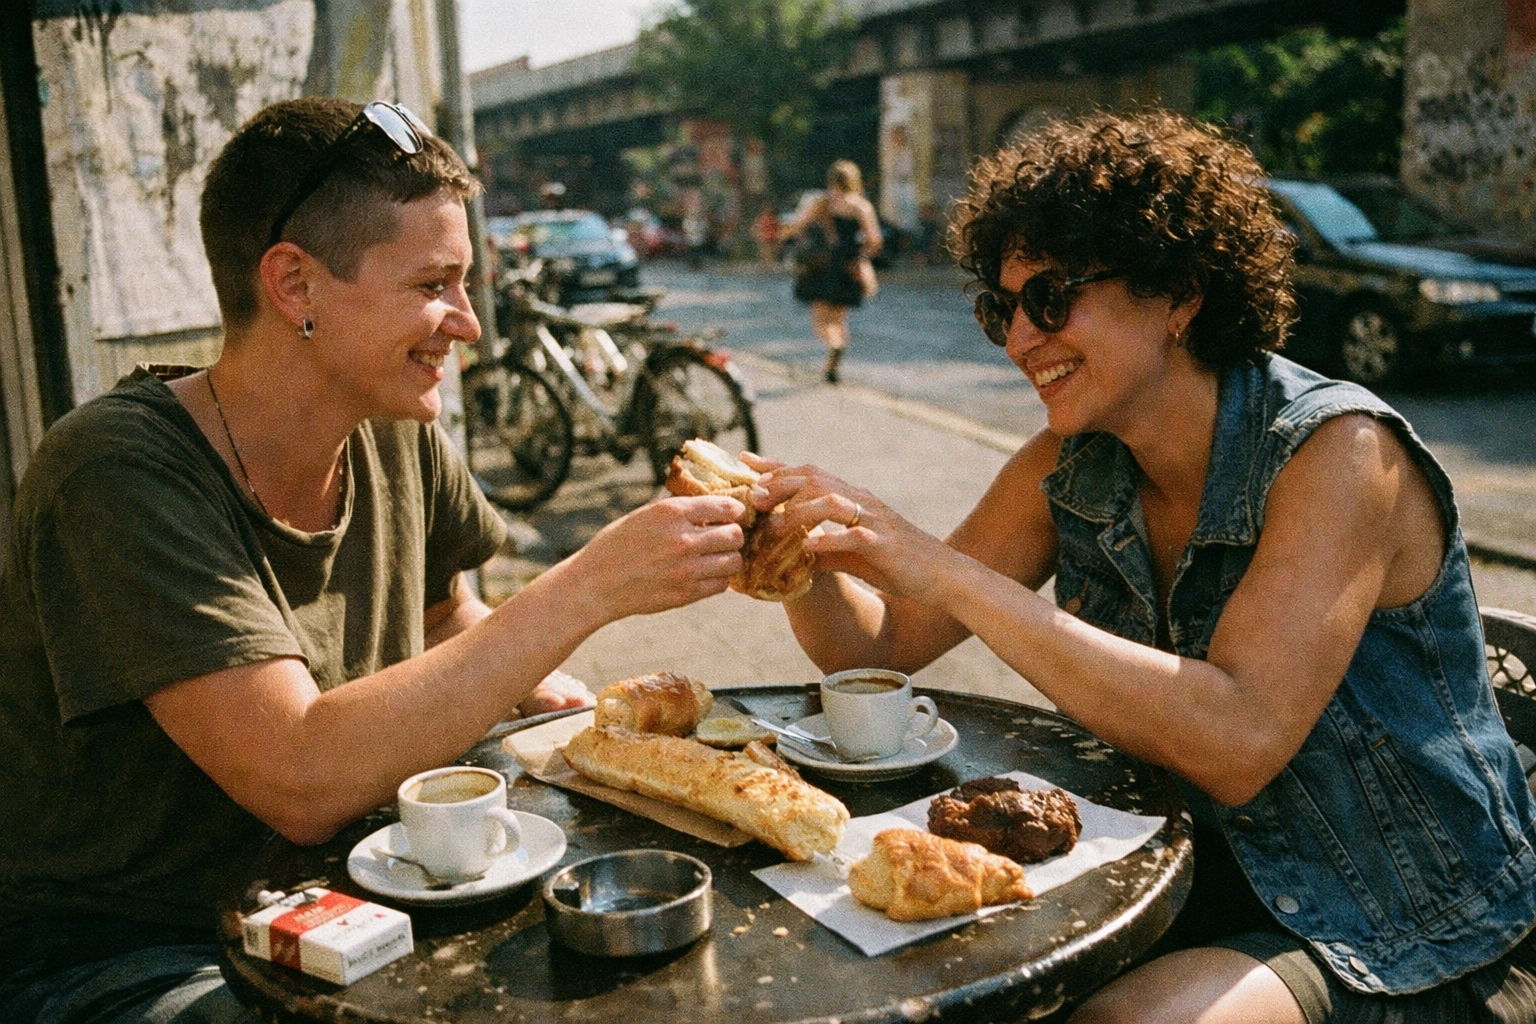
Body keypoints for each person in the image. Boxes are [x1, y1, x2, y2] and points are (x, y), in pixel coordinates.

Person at [751, 110, 1536, 1022]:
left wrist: (940, 566)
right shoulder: (1068, 460)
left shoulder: (1337, 454)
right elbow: (883, 643)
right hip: (1175, 880)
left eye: (1050, 298)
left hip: (1407, 931)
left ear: (1179, 292)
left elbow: (1236, 742)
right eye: (1001, 308)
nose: (1018, 340)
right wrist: (794, 555)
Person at [0, 97, 750, 1023]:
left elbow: (446, 616)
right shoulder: (115, 472)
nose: (467, 324)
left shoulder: (389, 422)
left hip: (364, 901)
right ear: (295, 285)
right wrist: (586, 588)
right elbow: (300, 776)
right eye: (434, 284)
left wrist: (553, 697)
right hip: (140, 955)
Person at [783, 159, 882, 384]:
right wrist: (860, 258)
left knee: (820, 320)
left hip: (824, 264)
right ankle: (831, 365)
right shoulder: (862, 206)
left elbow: (799, 226)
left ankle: (835, 346)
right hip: (849, 266)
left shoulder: (822, 202)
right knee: (839, 318)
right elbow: (874, 241)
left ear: (831, 180)